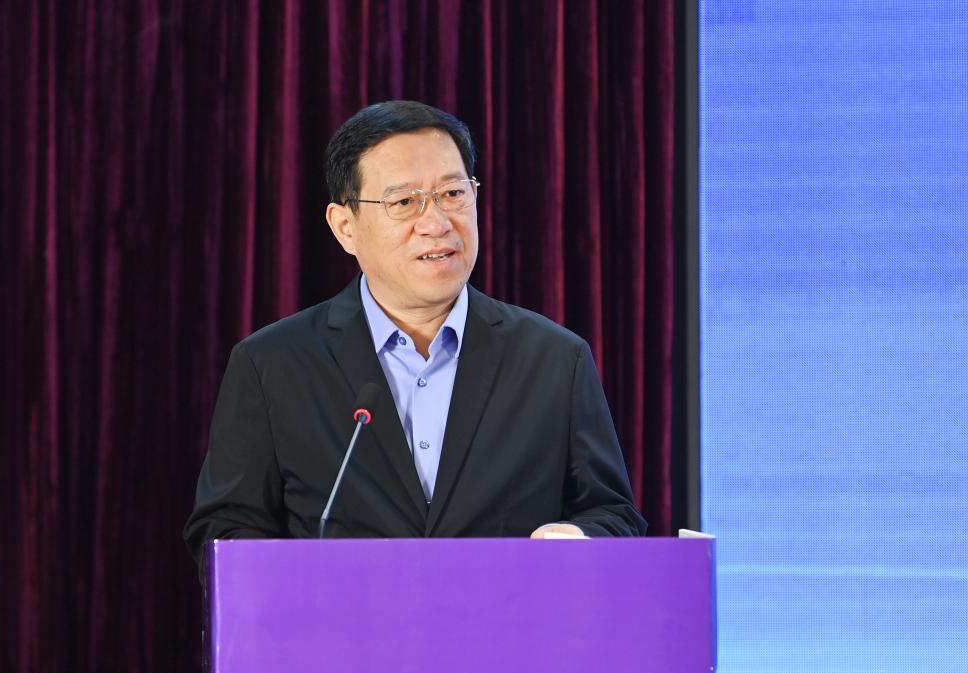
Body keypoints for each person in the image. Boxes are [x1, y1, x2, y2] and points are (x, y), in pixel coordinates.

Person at [183, 100, 645, 562]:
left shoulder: (555, 359)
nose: (437, 223)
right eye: (404, 202)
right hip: (344, 611)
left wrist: (575, 540)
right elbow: (226, 529)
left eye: (453, 193)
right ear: (345, 227)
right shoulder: (272, 365)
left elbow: (612, 514)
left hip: (506, 608)